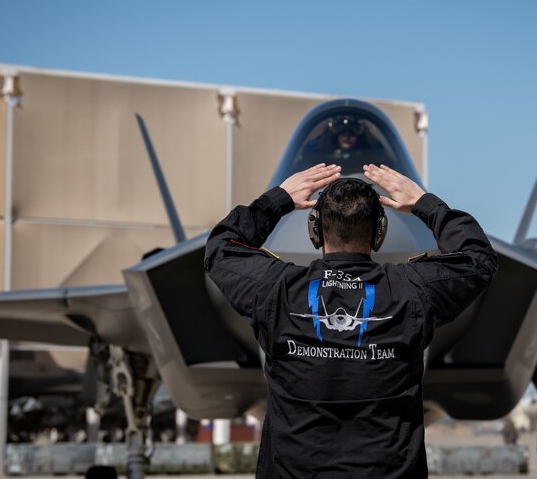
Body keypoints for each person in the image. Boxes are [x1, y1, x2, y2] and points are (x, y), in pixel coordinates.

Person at [205, 163, 498, 477]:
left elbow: (220, 248)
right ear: (379, 233)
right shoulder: (412, 291)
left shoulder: (277, 289)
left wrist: (278, 200)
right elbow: (478, 259)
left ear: (314, 231)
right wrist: (424, 204)